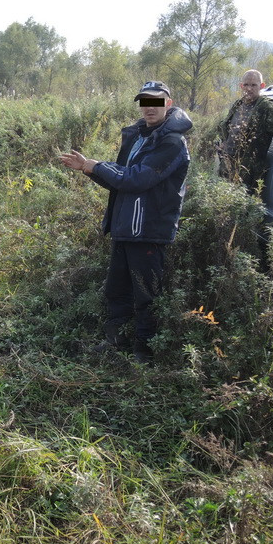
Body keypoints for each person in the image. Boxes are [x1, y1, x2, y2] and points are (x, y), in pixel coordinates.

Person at [59, 81, 191, 364]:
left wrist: (96, 165)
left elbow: (138, 179)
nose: (149, 108)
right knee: (116, 290)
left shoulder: (172, 142)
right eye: (144, 102)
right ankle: (115, 343)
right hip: (125, 227)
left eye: (155, 102)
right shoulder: (139, 136)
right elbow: (121, 181)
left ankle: (144, 355)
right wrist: (88, 168)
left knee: (146, 295)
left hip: (149, 231)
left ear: (168, 103)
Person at [218, 69, 273, 191]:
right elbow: (224, 126)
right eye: (246, 85)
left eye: (254, 85)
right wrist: (223, 142)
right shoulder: (238, 105)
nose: (249, 89)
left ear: (262, 86)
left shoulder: (266, 107)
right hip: (227, 169)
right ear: (241, 86)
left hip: (248, 174)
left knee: (242, 208)